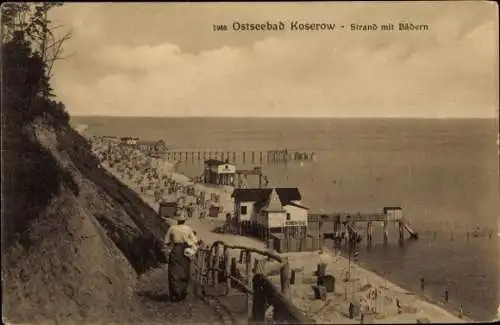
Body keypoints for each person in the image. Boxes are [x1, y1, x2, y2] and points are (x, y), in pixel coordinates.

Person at [164, 211, 199, 302]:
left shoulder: (172, 228)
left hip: (176, 250)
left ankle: (175, 294)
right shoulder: (188, 229)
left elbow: (166, 241)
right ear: (184, 220)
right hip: (184, 251)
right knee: (184, 271)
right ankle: (182, 292)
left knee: (174, 271)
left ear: (177, 220)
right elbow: (194, 240)